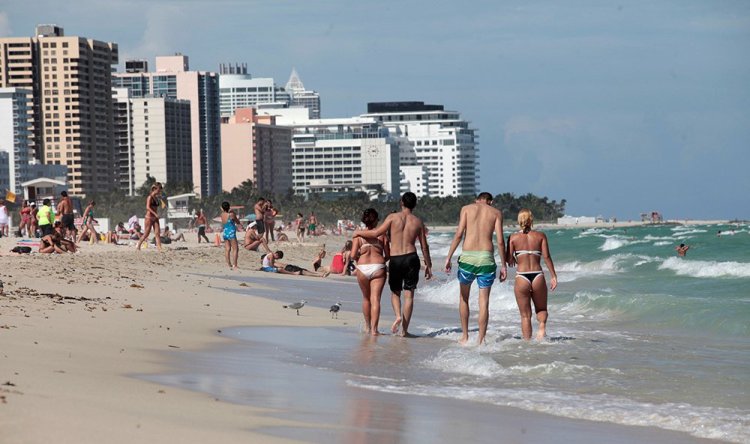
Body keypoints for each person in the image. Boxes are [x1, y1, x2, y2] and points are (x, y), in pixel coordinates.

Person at [353, 192, 432, 337]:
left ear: (401, 202)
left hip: (396, 258)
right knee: (409, 296)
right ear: (414, 205)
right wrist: (428, 265)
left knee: (395, 292)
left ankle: (397, 315)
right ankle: (404, 331)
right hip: (411, 257)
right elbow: (424, 246)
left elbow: (376, 232)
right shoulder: (418, 222)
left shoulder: (392, 218)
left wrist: (358, 232)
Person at [444, 192, 507, 345]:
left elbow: (459, 234)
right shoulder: (496, 213)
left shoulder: (466, 209)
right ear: (490, 202)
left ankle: (465, 336)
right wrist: (503, 265)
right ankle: (481, 339)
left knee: (463, 298)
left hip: (467, 258)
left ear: (477, 200)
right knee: (484, 302)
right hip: (486, 258)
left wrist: (449, 257)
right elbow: (499, 241)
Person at [507, 209, 557, 341]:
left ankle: (527, 344)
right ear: (531, 220)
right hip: (538, 276)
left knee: (525, 316)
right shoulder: (541, 236)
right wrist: (553, 276)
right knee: (541, 308)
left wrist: (513, 257)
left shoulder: (513, 238)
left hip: (522, 276)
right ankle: (541, 328)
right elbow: (546, 257)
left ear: (519, 220)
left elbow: (509, 260)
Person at [351, 208, 389, 336]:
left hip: (362, 267)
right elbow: (388, 255)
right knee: (376, 299)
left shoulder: (358, 236)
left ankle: (367, 327)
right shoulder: (382, 235)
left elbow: (352, 255)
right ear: (377, 220)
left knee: (366, 298)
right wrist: (381, 260)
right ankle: (374, 330)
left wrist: (359, 259)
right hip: (378, 267)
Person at [136, 182, 164, 251]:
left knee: (157, 233)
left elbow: (156, 207)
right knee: (146, 234)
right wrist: (155, 214)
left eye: (160, 189)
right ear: (154, 189)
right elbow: (148, 207)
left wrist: (157, 214)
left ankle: (159, 248)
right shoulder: (150, 197)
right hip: (149, 218)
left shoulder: (156, 198)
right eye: (159, 189)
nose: (160, 191)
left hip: (155, 218)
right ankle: (138, 245)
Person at [220, 201, 243, 269]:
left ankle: (229, 264)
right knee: (235, 249)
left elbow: (224, 215)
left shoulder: (222, 214)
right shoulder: (231, 214)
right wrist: (233, 212)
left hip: (225, 232)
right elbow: (237, 222)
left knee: (227, 249)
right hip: (231, 232)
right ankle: (235, 265)